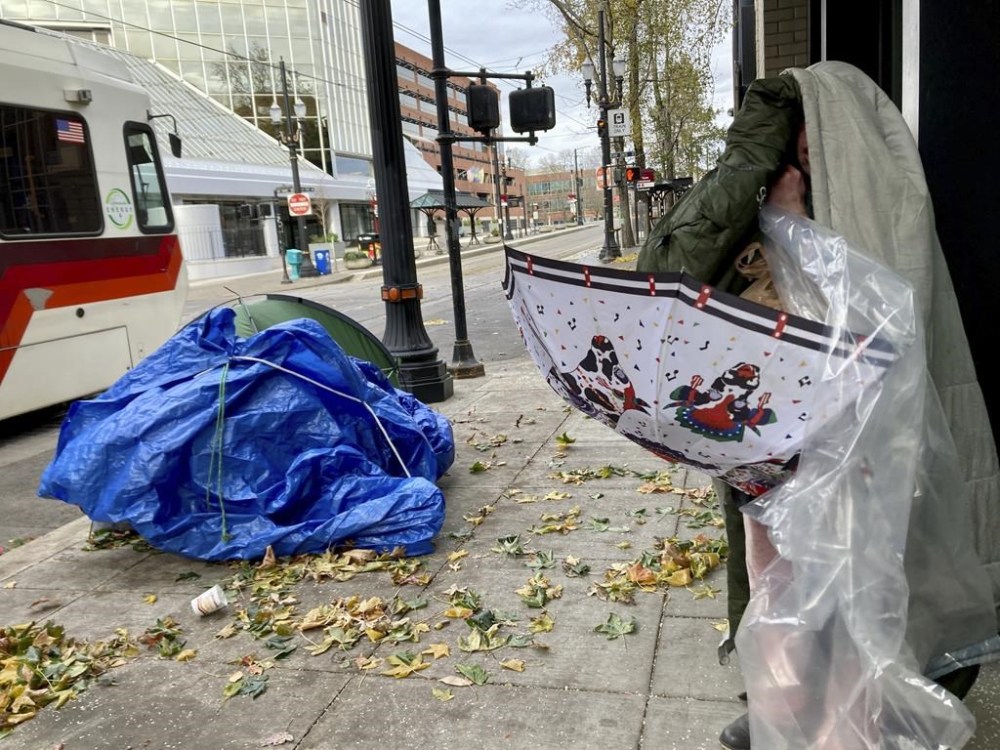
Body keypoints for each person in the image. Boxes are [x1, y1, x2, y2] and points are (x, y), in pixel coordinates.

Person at [637, 62, 1000, 750]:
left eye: (817, 141)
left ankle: (839, 728)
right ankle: (786, 710)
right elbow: (673, 269)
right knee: (780, 590)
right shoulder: (753, 212)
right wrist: (769, 200)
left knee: (845, 594)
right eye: (797, 141)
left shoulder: (863, 211)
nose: (807, 153)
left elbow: (865, 324)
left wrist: (796, 218)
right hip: (765, 452)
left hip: (840, 447)